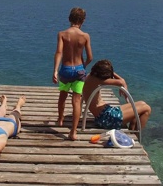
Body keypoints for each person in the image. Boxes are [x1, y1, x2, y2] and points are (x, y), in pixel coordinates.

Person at [53, 7, 93, 141]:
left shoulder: (62, 34)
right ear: (83, 20)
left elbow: (59, 52)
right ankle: (73, 132)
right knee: (76, 101)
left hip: (65, 69)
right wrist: (83, 66)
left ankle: (60, 119)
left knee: (62, 96)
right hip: (79, 70)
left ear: (69, 19)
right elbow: (90, 57)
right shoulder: (85, 36)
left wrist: (55, 70)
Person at [82, 59, 151, 131]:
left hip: (107, 112)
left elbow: (121, 81)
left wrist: (110, 71)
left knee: (142, 103)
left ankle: (132, 131)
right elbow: (121, 82)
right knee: (147, 109)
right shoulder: (97, 80)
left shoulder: (91, 76)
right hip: (106, 119)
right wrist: (124, 86)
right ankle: (137, 135)